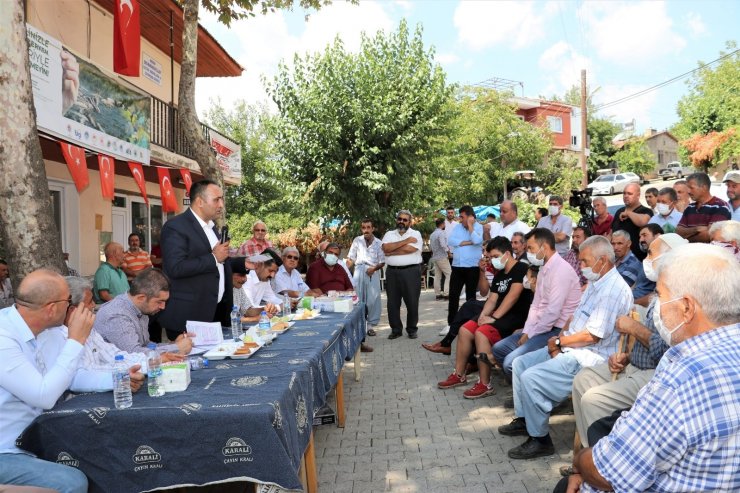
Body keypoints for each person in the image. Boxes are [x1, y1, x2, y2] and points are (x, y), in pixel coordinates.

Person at [571, 244, 740, 493]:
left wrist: (580, 461)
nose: (654, 304)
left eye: (659, 295)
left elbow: (608, 473)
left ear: (687, 307)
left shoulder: (680, 378)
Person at [499, 235, 632, 460]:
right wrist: (559, 339)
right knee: (520, 363)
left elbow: (592, 336)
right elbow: (574, 317)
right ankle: (525, 420)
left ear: (603, 260)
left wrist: (560, 343)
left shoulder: (612, 289)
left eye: (585, 262)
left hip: (590, 357)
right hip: (571, 346)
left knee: (532, 377)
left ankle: (540, 440)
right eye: (580, 261)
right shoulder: (597, 282)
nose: (581, 267)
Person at [570, 234, 685, 451]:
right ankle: (590, 451)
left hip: (655, 373)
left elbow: (667, 351)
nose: (646, 259)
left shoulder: (677, 298)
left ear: (669, 258)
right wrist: (625, 356)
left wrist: (633, 327)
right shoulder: (659, 292)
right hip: (634, 365)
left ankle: (604, 463)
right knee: (583, 379)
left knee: (594, 399)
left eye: (651, 253)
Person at [0, 269, 93, 492]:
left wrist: (121, 378)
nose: (72, 306)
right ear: (52, 308)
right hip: (6, 451)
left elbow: (70, 377)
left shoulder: (47, 330)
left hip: (38, 438)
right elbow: (43, 396)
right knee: (72, 483)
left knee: (101, 454)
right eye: (69, 300)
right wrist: (76, 341)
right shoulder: (4, 337)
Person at [437, 237, 531, 399]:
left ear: (507, 254)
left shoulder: (521, 269)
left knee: (481, 332)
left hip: (516, 316)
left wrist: (493, 318)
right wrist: (482, 316)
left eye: (495, 256)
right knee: (465, 329)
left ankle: (485, 384)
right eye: (491, 257)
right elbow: (492, 299)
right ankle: (459, 374)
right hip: (499, 314)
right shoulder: (500, 273)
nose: (492, 260)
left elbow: (512, 297)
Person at [491, 228, 582, 383]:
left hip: (557, 330)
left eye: (531, 248)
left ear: (544, 247)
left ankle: (527, 392)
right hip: (541, 326)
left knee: (510, 363)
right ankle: (522, 388)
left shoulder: (561, 270)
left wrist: (531, 334)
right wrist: (527, 331)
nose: (529, 253)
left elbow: (553, 312)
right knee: (498, 349)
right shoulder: (544, 268)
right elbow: (536, 305)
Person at [38, 276, 152, 393]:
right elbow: (80, 376)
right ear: (73, 310)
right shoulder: (54, 336)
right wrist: (120, 376)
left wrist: (152, 362)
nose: (93, 305)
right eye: (90, 301)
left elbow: (114, 355)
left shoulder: (87, 328)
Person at [157, 180, 232, 340]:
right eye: (216, 199)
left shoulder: (212, 228)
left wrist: (244, 263)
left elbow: (219, 263)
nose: (221, 205)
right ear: (199, 201)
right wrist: (213, 257)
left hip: (214, 311)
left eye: (222, 199)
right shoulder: (176, 227)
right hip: (188, 316)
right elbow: (175, 267)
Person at [95, 269, 193, 355]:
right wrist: (176, 348)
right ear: (141, 298)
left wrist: (174, 344)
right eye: (159, 301)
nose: (163, 307)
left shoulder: (140, 308)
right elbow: (134, 354)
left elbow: (146, 346)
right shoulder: (117, 315)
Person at [382, 210, 423, 340]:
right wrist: (406, 241)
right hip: (392, 272)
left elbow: (411, 249)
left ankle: (411, 329)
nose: (402, 222)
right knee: (392, 303)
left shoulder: (416, 234)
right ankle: (396, 330)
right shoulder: (389, 234)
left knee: (412, 301)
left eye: (405, 220)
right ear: (397, 220)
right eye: (400, 219)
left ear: (410, 222)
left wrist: (392, 250)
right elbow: (385, 249)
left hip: (411, 272)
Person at [446, 205, 484, 332]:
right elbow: (450, 241)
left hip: (472, 267)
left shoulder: (478, 227)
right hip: (457, 266)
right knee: (453, 295)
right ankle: (451, 324)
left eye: (462, 217)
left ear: (470, 216)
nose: (459, 219)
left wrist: (470, 226)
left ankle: (470, 323)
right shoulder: (457, 227)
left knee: (471, 297)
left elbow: (477, 240)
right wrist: (467, 242)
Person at [346, 219, 385, 336]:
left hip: (372, 271)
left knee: (373, 299)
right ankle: (359, 325)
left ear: (373, 229)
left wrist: (373, 268)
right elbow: (351, 258)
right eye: (364, 227)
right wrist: (344, 270)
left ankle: (370, 325)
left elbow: (382, 262)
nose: (366, 230)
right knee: (357, 298)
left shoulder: (379, 243)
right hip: (358, 271)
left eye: (368, 227)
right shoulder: (357, 241)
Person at [677, 172, 732, 243]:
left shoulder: (720, 206)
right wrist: (696, 229)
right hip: (689, 253)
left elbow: (709, 235)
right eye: (688, 188)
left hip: (710, 253)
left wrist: (686, 239)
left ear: (704, 188)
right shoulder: (690, 207)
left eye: (691, 187)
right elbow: (678, 231)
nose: (688, 191)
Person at [610, 183, 653, 260]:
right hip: (617, 259)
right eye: (624, 193)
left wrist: (629, 213)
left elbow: (643, 221)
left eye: (629, 194)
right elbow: (611, 233)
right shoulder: (619, 211)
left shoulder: (646, 211)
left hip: (638, 259)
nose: (626, 196)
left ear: (638, 195)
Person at [230, 258, 278, 324]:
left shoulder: (238, 288)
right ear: (229, 274)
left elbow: (248, 311)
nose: (244, 279)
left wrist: (265, 309)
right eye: (240, 275)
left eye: (245, 275)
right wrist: (255, 319)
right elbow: (228, 319)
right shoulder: (221, 291)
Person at [631, 224, 664, 306]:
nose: (641, 239)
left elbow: (658, 295)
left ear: (657, 236)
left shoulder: (663, 262)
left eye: (644, 235)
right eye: (640, 237)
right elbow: (637, 285)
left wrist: (632, 304)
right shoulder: (646, 260)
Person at [429, 218, 451, 300]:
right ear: (442, 224)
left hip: (435, 257)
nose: (445, 225)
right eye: (444, 224)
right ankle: (446, 293)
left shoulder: (432, 234)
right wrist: (448, 252)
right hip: (442, 256)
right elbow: (443, 244)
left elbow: (430, 247)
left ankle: (438, 294)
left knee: (437, 276)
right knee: (449, 274)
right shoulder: (441, 233)